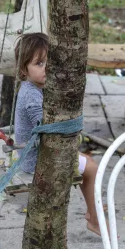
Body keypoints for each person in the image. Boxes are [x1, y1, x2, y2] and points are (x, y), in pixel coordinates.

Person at [14, 32, 105, 236]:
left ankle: (93, 215)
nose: (47, 68)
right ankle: (94, 218)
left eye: (50, 62)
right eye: (39, 63)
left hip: (38, 154)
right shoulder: (31, 95)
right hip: (36, 160)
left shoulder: (35, 87)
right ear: (23, 69)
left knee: (88, 162)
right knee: (91, 168)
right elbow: (47, 128)